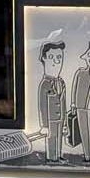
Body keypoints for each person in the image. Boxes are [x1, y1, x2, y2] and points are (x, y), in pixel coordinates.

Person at [36, 34, 67, 162]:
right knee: (51, 138)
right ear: (44, 58)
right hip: (50, 119)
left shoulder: (61, 82)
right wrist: (44, 125)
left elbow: (64, 103)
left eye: (59, 58)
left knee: (59, 137)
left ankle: (58, 156)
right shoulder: (45, 84)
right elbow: (42, 106)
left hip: (60, 118)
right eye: (52, 57)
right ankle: (51, 158)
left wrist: (65, 123)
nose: (56, 61)